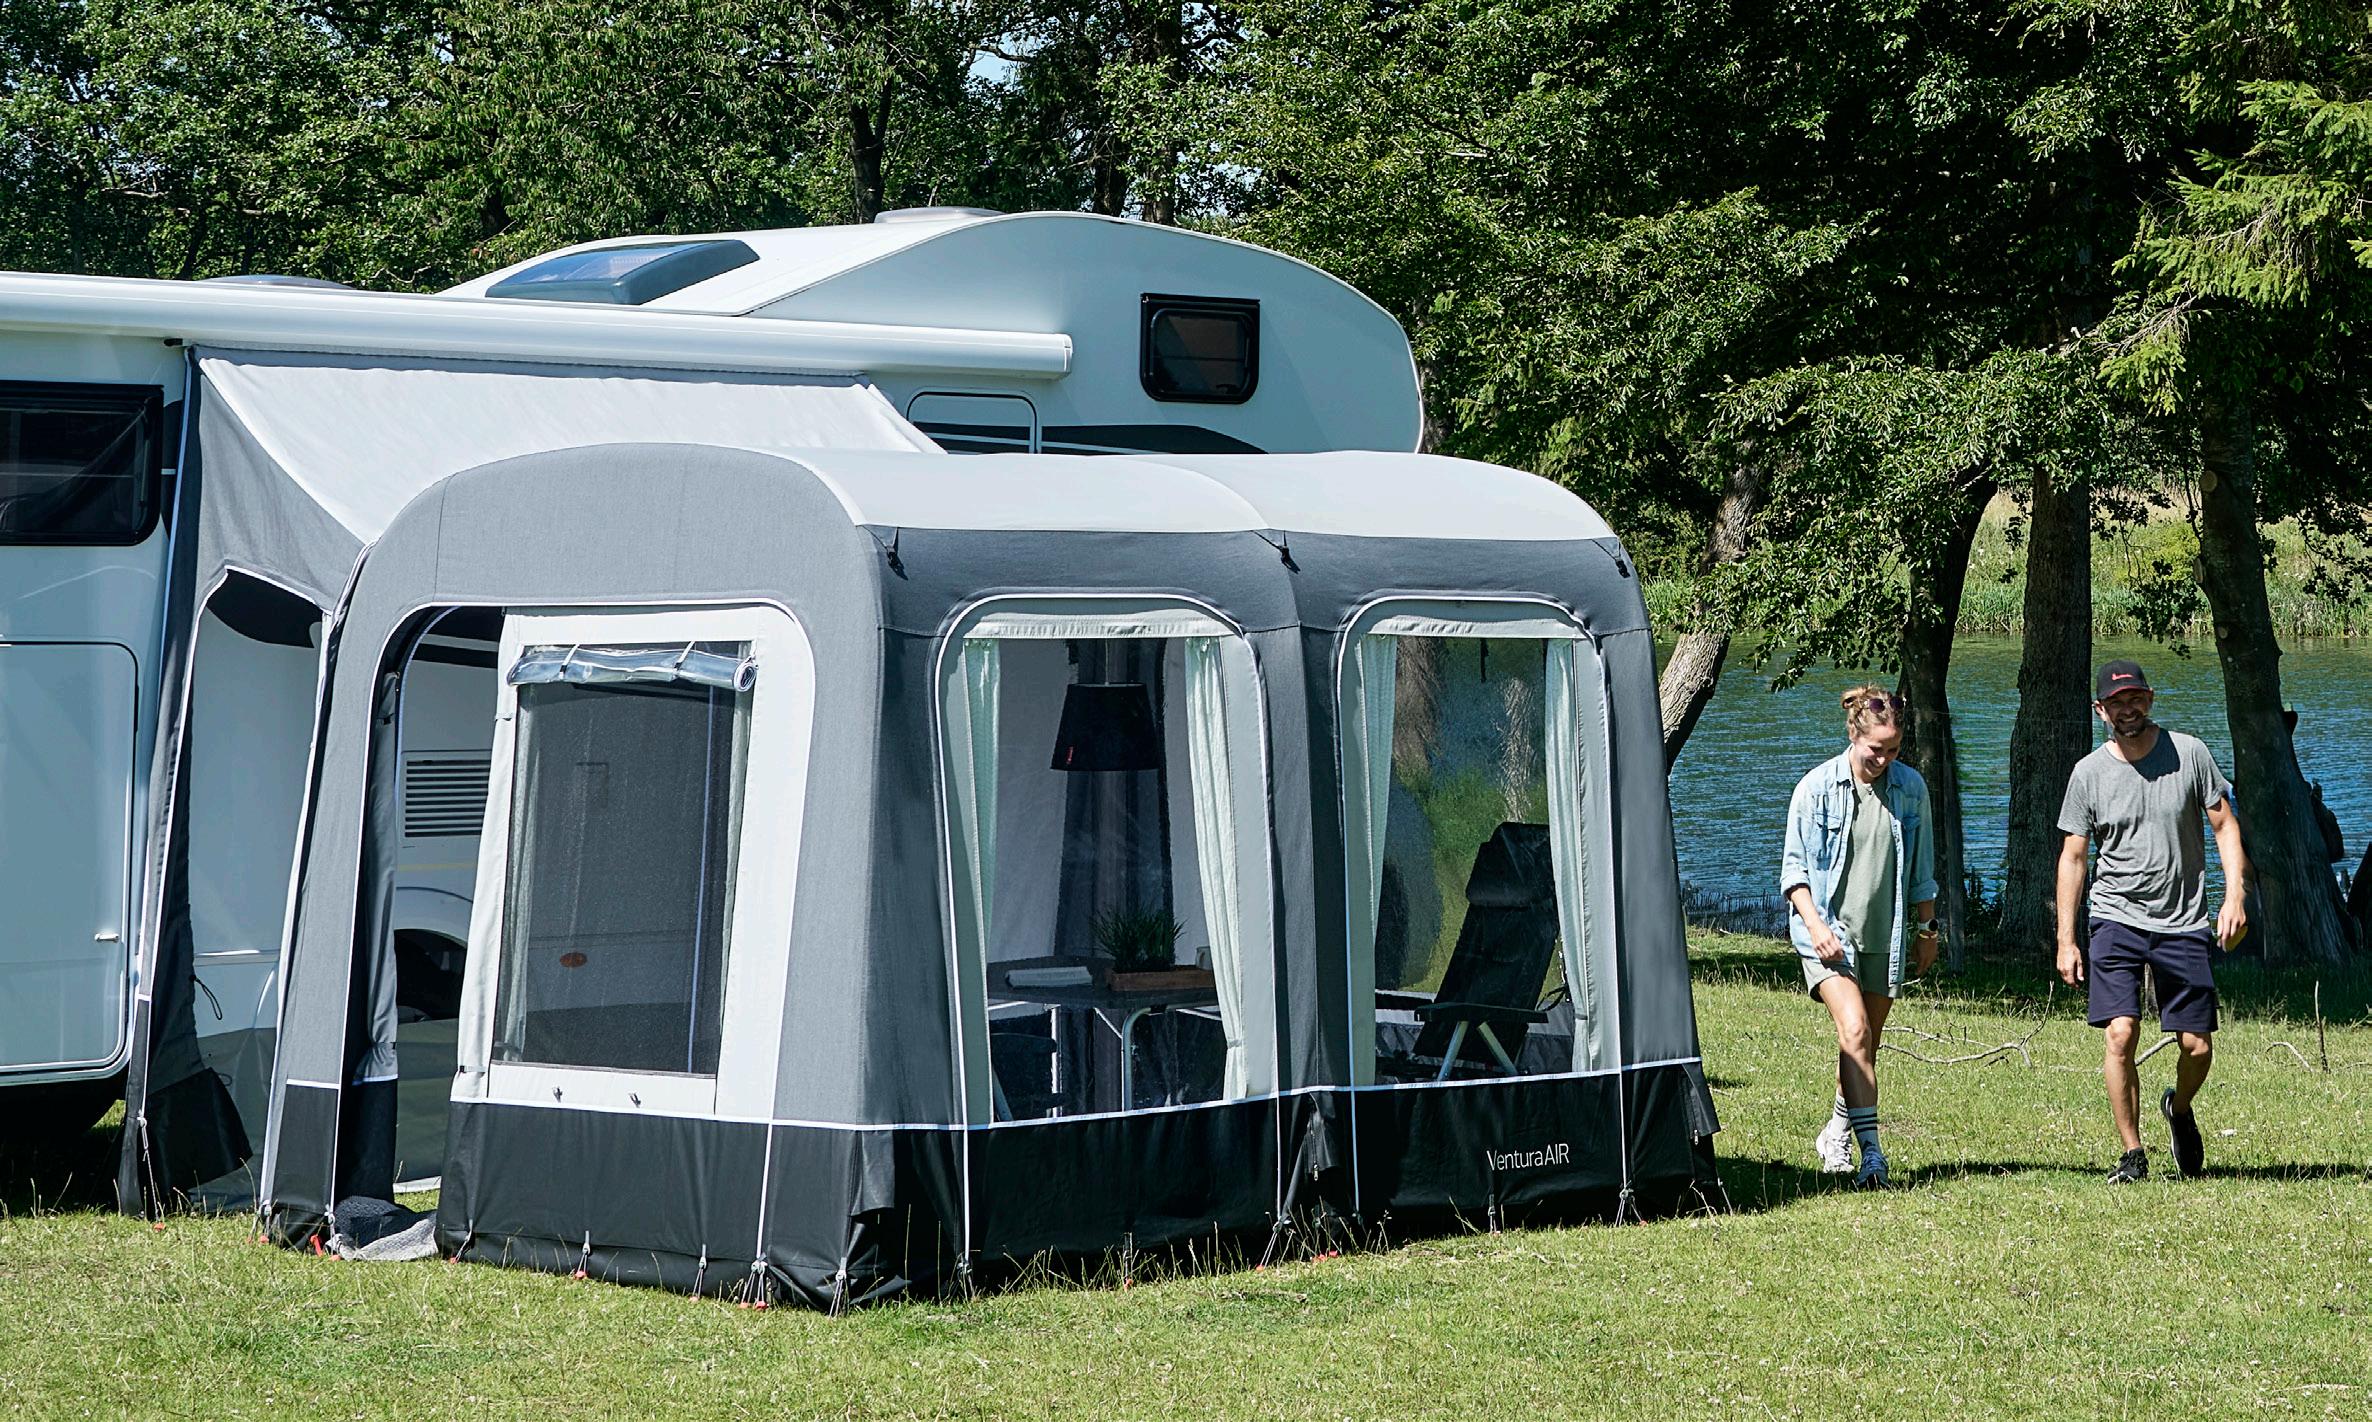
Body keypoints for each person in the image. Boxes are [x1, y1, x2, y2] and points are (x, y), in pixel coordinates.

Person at [2054, 659, 2248, 1183]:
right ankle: (2133, 1153)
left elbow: (2224, 825)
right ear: (2100, 710)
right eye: (2117, 702)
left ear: (2151, 699)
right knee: (2121, 1034)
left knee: (2197, 1046)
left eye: (2135, 698)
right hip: (2115, 916)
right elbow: (2074, 857)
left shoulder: (2190, 754)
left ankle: (2178, 1109)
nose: (2128, 709)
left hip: (2182, 920)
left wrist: (2234, 896)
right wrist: (2067, 939)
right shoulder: (2088, 774)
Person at [1781, 685, 1939, 1188]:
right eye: (1876, 749)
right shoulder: (1815, 788)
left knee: (1865, 1043)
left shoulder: (1910, 788)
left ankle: (1835, 1131)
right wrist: (1816, 928)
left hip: (1884, 935)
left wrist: (1927, 929)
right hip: (1827, 934)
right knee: (1854, 1031)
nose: (1884, 759)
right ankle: (1873, 1157)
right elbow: (1794, 874)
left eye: (1894, 749)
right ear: (1854, 734)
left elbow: (1922, 870)